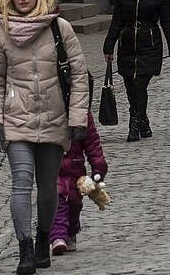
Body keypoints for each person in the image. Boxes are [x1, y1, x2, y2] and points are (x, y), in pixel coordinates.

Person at [0, 0, 89, 275]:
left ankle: (44, 238)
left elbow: (80, 76)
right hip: (16, 119)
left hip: (55, 120)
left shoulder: (60, 28)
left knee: (47, 188)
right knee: (20, 182)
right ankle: (25, 248)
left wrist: (77, 117)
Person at [102, 0, 170, 141]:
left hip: (149, 43)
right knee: (130, 86)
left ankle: (134, 123)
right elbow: (117, 20)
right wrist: (109, 45)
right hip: (127, 44)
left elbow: (167, 22)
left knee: (140, 85)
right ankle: (143, 121)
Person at [49, 108, 107, 256]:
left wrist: (98, 168)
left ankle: (72, 229)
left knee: (74, 203)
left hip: (75, 168)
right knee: (58, 200)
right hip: (53, 166)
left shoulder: (81, 113)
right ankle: (58, 237)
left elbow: (92, 144)